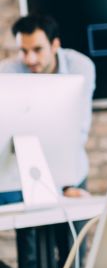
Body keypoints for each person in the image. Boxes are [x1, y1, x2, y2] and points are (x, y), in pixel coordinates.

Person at [0, 13, 95, 201]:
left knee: (75, 229)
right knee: (31, 229)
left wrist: (64, 185)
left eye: (37, 49)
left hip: (69, 172)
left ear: (55, 45)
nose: (30, 59)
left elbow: (79, 130)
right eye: (24, 51)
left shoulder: (80, 67)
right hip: (23, 174)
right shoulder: (7, 73)